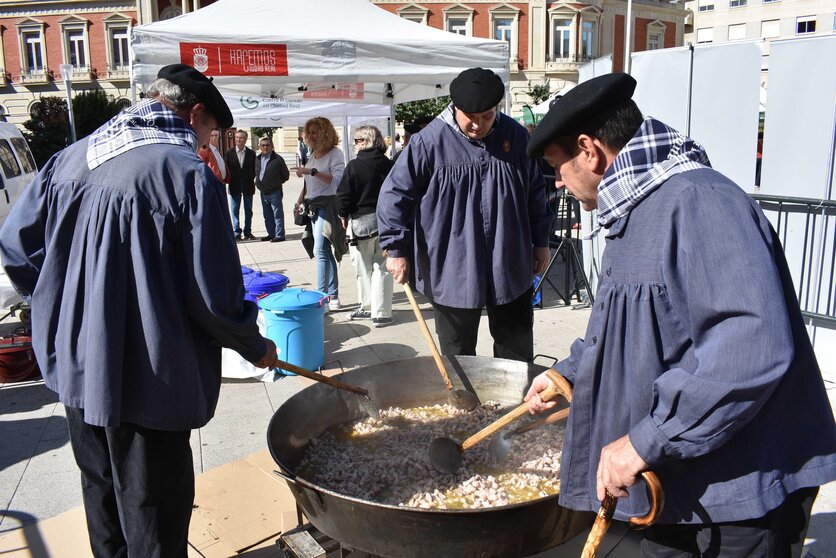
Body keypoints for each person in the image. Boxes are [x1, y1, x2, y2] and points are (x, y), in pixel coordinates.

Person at [523, 72, 836, 557]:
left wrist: (646, 440)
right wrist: (568, 374)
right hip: (683, 488)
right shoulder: (635, 210)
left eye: (557, 167)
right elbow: (633, 331)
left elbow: (750, 346)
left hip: (736, 497)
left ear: (588, 151)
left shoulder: (697, 201)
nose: (559, 182)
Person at [0, 63, 278, 558]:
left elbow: (17, 249)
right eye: (211, 131)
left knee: (101, 492)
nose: (209, 141)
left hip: (79, 368)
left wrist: (59, 307)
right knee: (152, 509)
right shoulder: (187, 175)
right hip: (149, 378)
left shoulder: (71, 156)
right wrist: (254, 346)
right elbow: (215, 298)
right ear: (194, 115)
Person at [377, 67, 552, 362]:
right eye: (471, 117)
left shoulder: (515, 136)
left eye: (487, 116)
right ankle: (464, 405)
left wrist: (541, 241)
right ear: (455, 107)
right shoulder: (428, 142)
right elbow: (395, 194)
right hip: (451, 265)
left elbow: (535, 193)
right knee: (458, 353)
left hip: (509, 260)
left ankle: (518, 400)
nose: (478, 125)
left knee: (516, 346)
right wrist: (395, 248)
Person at [336, 125, 394, 326]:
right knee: (383, 268)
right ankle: (382, 312)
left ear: (364, 142)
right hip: (387, 222)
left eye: (356, 141)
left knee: (363, 268)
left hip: (361, 222)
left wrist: (343, 215)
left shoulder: (354, 166)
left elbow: (344, 195)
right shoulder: (389, 164)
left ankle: (368, 306)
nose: (353, 145)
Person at [294, 117, 346, 311]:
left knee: (320, 251)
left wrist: (313, 171)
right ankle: (332, 295)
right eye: (309, 133)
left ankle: (322, 296)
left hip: (328, 206)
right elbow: (308, 182)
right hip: (313, 206)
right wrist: (300, 200)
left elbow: (338, 181)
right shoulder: (313, 153)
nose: (311, 136)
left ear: (325, 132)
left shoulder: (335, 153)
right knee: (323, 250)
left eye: (315, 132)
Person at [255, 136, 290, 242]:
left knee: (277, 214)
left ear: (272, 146)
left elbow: (285, 175)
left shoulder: (278, 159)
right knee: (267, 215)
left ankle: (279, 235)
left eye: (268, 145)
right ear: (260, 147)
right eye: (263, 145)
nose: (265, 147)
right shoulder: (257, 158)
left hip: (275, 192)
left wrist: (276, 183)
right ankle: (271, 234)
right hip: (263, 192)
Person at [224, 129, 256, 240]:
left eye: (241, 137)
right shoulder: (229, 152)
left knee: (248, 210)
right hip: (234, 185)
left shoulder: (252, 153)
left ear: (245, 139)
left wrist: (250, 178)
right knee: (234, 210)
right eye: (236, 137)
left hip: (248, 185)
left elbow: (254, 169)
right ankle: (236, 232)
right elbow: (226, 169)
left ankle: (247, 232)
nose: (238, 139)